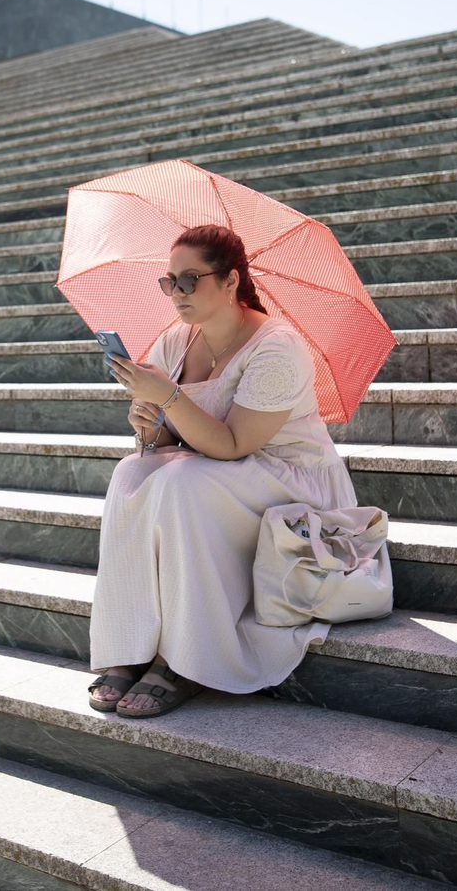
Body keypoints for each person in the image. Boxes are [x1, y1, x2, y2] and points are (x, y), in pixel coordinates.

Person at [88, 223, 360, 718]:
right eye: (168, 281)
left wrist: (167, 396)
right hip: (214, 475)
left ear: (231, 280)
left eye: (189, 280)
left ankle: (183, 659)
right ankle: (131, 645)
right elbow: (171, 443)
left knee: (181, 480)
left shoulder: (278, 346)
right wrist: (148, 424)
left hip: (289, 478)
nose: (176, 292)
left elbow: (234, 445)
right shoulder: (175, 343)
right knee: (131, 473)